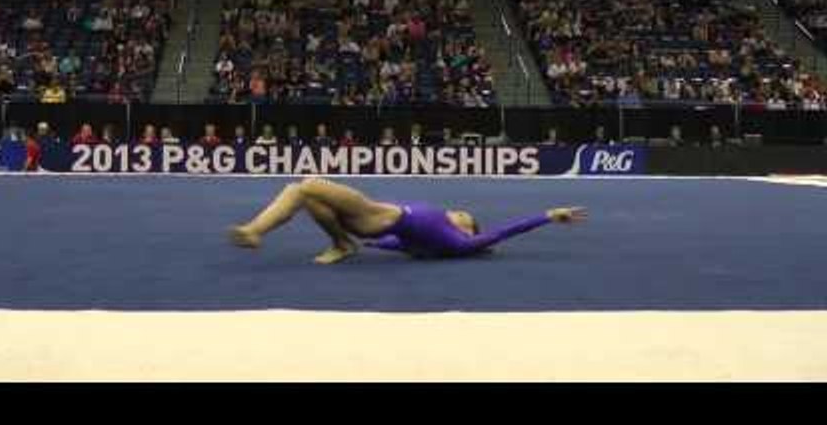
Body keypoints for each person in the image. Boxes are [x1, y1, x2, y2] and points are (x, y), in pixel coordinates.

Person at [230, 177, 587, 264]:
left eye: (466, 215)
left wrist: (547, 215)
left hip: (370, 213)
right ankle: (342, 243)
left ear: (466, 227)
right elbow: (400, 244)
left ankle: (254, 230)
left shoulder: (458, 240)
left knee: (304, 185)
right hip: (369, 224)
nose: (460, 210)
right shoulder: (440, 237)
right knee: (307, 197)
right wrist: (373, 244)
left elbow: (502, 232)